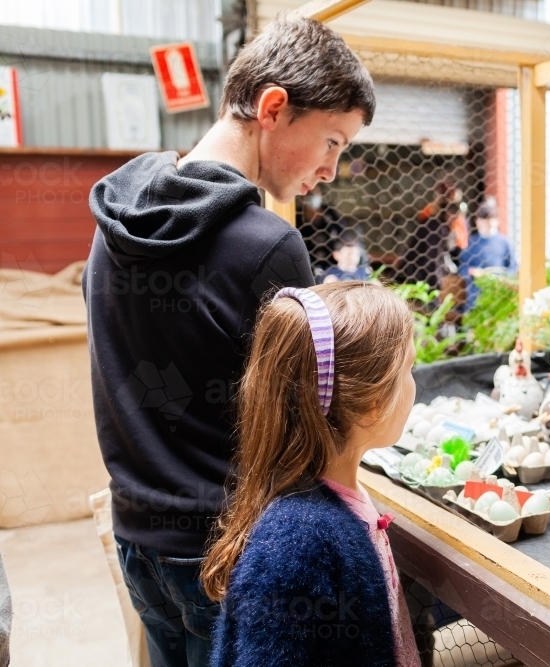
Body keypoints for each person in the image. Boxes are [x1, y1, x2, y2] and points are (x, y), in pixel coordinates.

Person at [83, 18, 375, 667]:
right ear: (273, 107)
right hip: (227, 553)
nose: (330, 169)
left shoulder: (113, 222)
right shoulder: (267, 245)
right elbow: (304, 426)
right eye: (332, 139)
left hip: (138, 541)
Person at [202, 282, 420, 667]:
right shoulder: (298, 540)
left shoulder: (334, 505)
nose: (414, 385)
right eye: (409, 370)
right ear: (372, 405)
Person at [459, 197, 516, 309]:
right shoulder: (470, 242)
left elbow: (513, 267)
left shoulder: (505, 242)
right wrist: (473, 272)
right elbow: (462, 268)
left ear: (497, 220)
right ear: (477, 221)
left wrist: (502, 278)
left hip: (500, 294)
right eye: (484, 219)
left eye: (491, 219)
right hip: (476, 298)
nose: (488, 223)